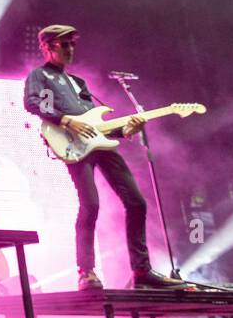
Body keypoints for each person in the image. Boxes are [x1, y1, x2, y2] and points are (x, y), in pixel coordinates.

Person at [22, 24, 183, 290]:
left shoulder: (78, 82)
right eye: (64, 45)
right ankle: (86, 272)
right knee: (91, 205)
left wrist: (125, 129)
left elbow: (97, 125)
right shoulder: (40, 76)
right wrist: (67, 121)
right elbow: (33, 102)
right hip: (72, 145)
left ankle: (142, 271)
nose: (70, 50)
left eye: (72, 44)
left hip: (100, 145)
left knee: (137, 202)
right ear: (48, 47)